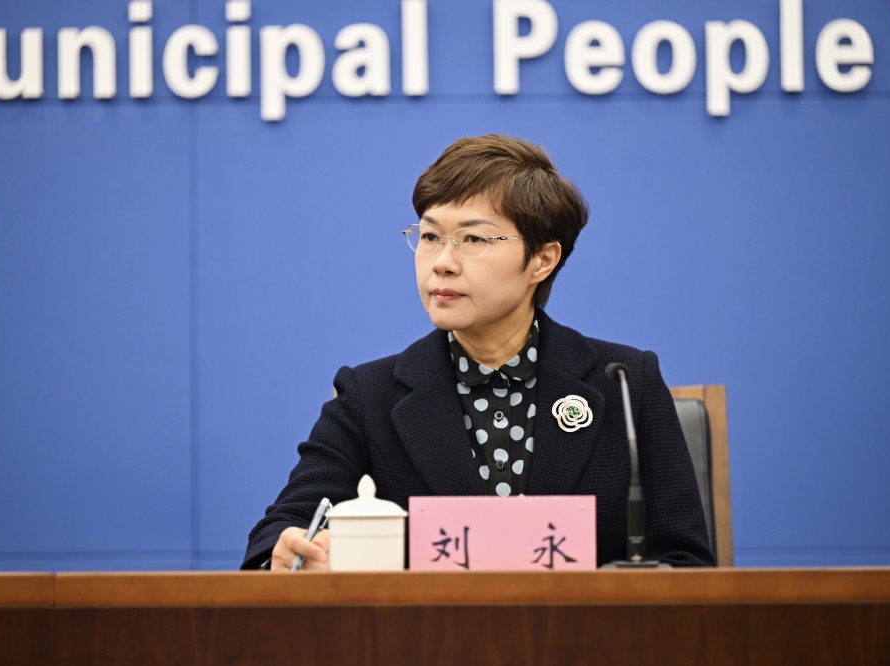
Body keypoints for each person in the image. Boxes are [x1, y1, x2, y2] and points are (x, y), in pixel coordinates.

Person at [242, 134, 715, 570]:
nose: (442, 263)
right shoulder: (370, 395)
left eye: (473, 239)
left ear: (542, 259)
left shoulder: (625, 383)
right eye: (430, 237)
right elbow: (285, 528)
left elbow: (685, 560)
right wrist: (289, 553)